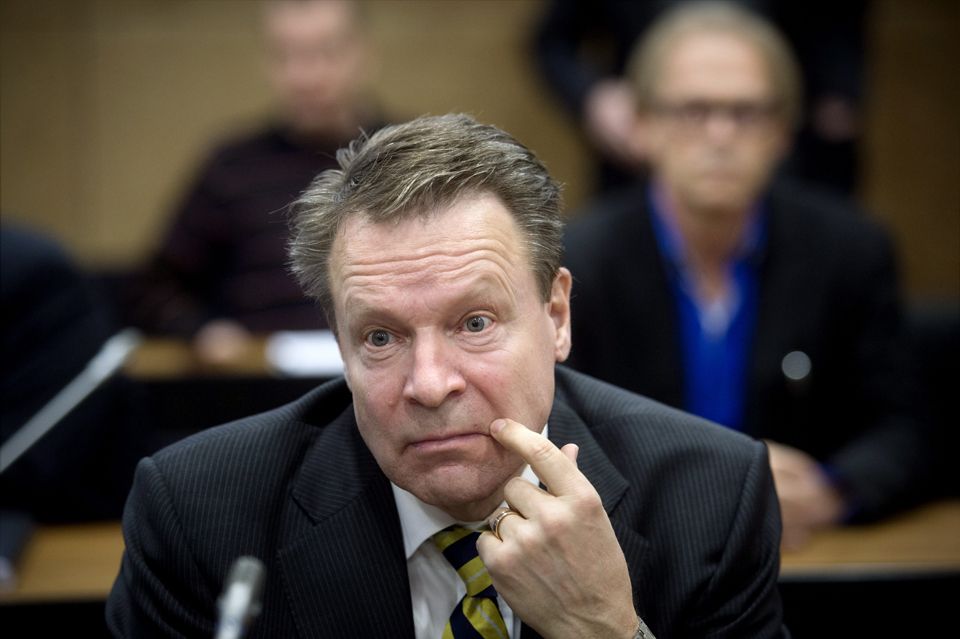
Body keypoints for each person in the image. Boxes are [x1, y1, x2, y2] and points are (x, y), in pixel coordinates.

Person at [106, 114, 787, 637]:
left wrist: (602, 628)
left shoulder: (709, 499)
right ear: (340, 344)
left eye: (475, 323)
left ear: (556, 316)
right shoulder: (199, 515)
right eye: (380, 337)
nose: (430, 385)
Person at [562, 2, 931, 549]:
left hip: (805, 556)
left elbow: (907, 428)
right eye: (693, 110)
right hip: (642, 553)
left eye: (747, 112)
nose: (720, 135)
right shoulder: (579, 261)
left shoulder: (850, 250)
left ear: (783, 131)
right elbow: (556, 433)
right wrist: (709, 492)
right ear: (642, 125)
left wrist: (831, 490)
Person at [126, 0, 382, 363]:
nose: (305, 76)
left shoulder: (405, 155)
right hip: (264, 377)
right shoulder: (232, 166)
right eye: (286, 55)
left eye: (326, 52)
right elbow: (153, 290)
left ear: (364, 54)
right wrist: (202, 331)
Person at [533, 0, 866, 195]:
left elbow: (838, 33)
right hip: (636, 170)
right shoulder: (593, 254)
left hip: (789, 167)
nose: (719, 135)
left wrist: (838, 96)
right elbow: (553, 41)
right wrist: (594, 97)